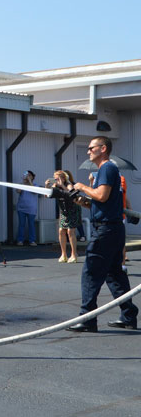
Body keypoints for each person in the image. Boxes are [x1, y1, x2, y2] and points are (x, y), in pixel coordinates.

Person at [67, 136, 138, 332]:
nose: (88, 151)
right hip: (111, 228)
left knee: (91, 272)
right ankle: (129, 315)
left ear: (103, 149)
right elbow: (99, 202)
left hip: (106, 230)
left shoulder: (107, 168)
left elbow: (101, 195)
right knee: (114, 274)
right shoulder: (102, 172)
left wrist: (82, 186)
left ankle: (88, 319)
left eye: (91, 148)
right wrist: (81, 201)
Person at [45, 170, 81, 263]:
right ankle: (63, 254)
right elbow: (47, 195)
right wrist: (47, 186)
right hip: (63, 211)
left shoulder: (69, 184)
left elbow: (72, 194)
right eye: (54, 178)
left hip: (72, 209)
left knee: (70, 231)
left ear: (63, 178)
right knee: (61, 231)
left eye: (57, 178)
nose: (55, 180)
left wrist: (62, 185)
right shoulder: (55, 186)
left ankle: (74, 254)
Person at [15, 170, 38, 246]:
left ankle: (32, 240)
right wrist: (24, 183)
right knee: (21, 224)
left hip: (31, 208)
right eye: (26, 175)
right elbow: (18, 191)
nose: (27, 177)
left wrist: (29, 182)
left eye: (29, 175)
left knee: (31, 224)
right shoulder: (22, 184)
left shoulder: (35, 185)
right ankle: (20, 240)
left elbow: (34, 191)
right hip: (21, 207)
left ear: (32, 177)